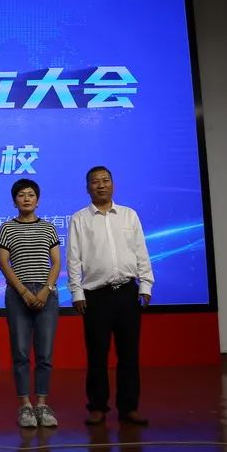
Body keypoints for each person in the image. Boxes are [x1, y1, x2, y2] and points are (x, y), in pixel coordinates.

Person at [67, 166, 155, 426]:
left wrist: (146, 285)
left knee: (129, 355)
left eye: (105, 180)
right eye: (95, 182)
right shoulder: (79, 219)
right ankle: (97, 407)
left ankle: (129, 407)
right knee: (97, 355)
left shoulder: (129, 215)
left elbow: (141, 252)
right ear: (87, 188)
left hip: (127, 293)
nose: (101, 185)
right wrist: (76, 291)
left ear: (113, 184)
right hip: (96, 296)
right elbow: (73, 258)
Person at [0, 178, 62, 429]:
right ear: (15, 201)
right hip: (18, 295)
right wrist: (23, 291)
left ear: (38, 199)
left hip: (46, 294)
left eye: (31, 194)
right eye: (21, 195)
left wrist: (46, 290)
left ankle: (42, 404)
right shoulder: (7, 228)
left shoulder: (48, 228)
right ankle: (25, 406)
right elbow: (4, 263)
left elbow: (56, 262)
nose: (26, 198)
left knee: (44, 354)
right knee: (21, 353)